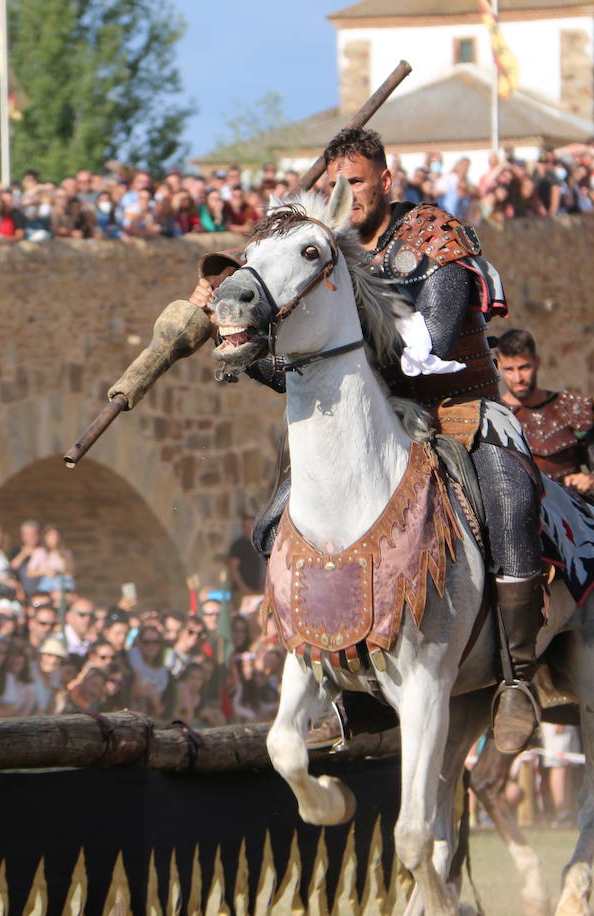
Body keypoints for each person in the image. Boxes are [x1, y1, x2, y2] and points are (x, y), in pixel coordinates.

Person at [194, 127, 551, 754]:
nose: (346, 194)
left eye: (356, 181)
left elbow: (432, 345)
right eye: (335, 184)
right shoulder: (326, 257)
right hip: (376, 420)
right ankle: (346, 681)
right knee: (277, 520)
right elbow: (297, 372)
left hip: (458, 408)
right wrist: (235, 322)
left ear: (386, 180)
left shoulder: (434, 237)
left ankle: (517, 678)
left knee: (511, 496)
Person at [495, 329, 594, 494]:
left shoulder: (574, 409)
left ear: (537, 362)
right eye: (509, 369)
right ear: (499, 368)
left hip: (573, 510)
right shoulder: (493, 416)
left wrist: (592, 478)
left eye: (524, 367)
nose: (518, 378)